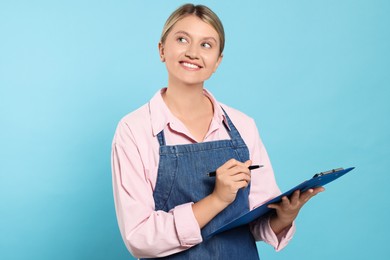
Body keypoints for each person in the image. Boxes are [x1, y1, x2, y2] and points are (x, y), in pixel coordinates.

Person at [111, 3, 324, 259]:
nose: (192, 53)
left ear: (217, 62)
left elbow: (258, 221)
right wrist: (217, 199)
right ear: (161, 50)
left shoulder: (243, 125)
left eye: (206, 45)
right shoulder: (134, 130)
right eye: (182, 39)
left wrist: (284, 217)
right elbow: (139, 238)